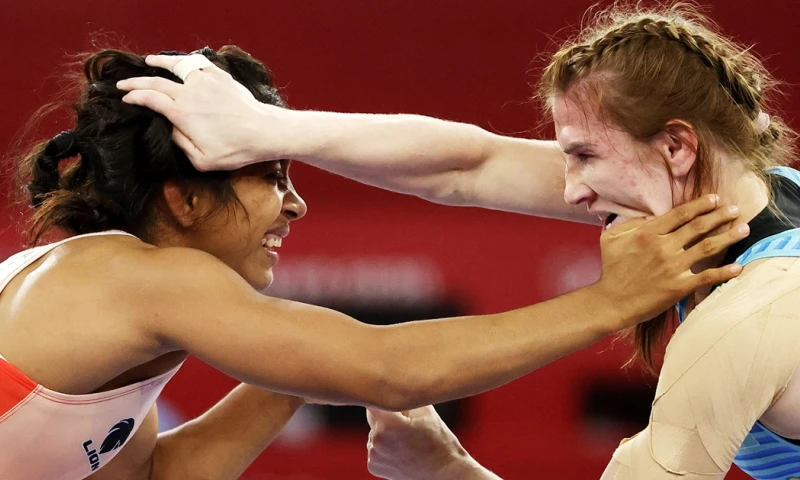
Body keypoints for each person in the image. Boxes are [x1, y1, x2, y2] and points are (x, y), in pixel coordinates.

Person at [117, 3, 800, 479]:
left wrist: (448, 471)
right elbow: (467, 165)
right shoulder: (758, 190)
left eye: (585, 157)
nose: (570, 192)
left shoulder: (746, 318)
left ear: (677, 145)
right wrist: (263, 129)